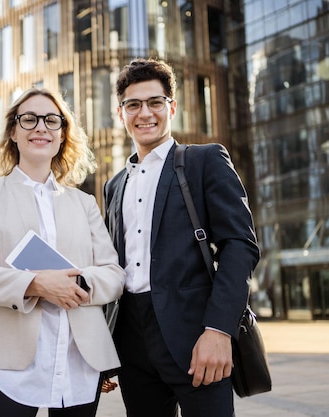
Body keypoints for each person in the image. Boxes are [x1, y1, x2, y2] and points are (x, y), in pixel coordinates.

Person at [0, 87, 125, 417]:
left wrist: (78, 285)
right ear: (13, 132)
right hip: (9, 361)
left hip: (78, 358)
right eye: (29, 119)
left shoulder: (85, 203)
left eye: (51, 120)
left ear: (62, 135)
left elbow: (113, 274)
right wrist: (35, 284)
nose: (41, 127)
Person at [103, 58, 260, 417]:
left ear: (171, 107)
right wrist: (104, 346)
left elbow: (240, 245)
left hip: (197, 336)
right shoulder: (114, 186)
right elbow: (111, 268)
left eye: (155, 102)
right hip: (131, 344)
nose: (145, 113)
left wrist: (219, 330)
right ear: (121, 113)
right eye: (133, 104)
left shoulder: (204, 161)